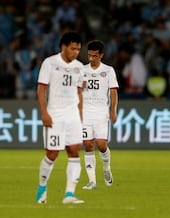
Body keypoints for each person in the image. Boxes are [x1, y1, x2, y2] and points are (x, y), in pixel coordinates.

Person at [35, 31, 85, 204]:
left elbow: (79, 92)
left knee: (74, 151)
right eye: (73, 49)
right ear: (63, 47)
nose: (76, 52)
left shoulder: (79, 67)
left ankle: (69, 194)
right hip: (54, 115)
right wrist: (44, 113)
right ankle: (42, 186)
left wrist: (80, 116)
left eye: (78, 49)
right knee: (52, 154)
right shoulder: (50, 63)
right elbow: (41, 89)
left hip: (72, 117)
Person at [81, 40, 119, 190]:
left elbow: (114, 92)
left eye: (94, 56)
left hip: (101, 112)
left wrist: (113, 110)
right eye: (89, 55)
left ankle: (106, 167)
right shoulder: (82, 70)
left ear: (101, 56)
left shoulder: (108, 71)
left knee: (102, 145)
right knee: (88, 145)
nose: (91, 59)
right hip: (85, 112)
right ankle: (92, 181)